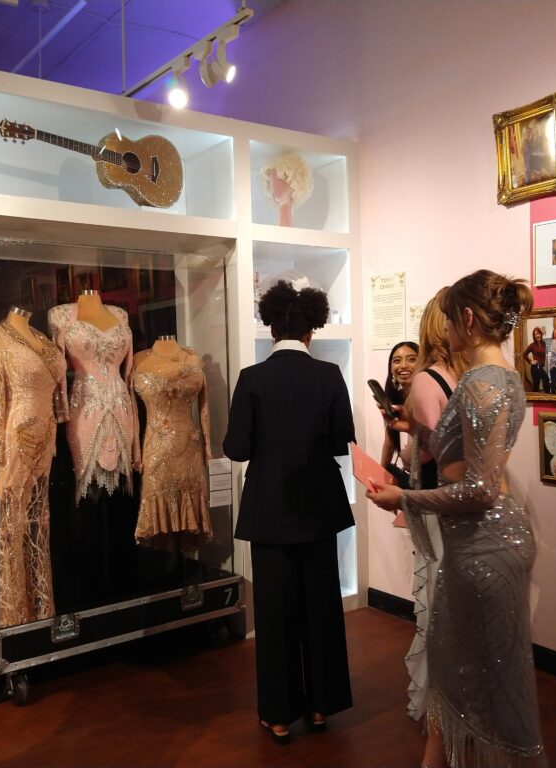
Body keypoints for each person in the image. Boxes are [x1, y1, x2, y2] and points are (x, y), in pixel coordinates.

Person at [367, 270, 546, 768]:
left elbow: (479, 488)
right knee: (456, 676)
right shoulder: (501, 377)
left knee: (475, 681)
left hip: (484, 547)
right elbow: (464, 459)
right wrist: (418, 430)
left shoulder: (483, 383)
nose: (444, 332)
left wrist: (403, 497)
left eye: (447, 321)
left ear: (466, 319)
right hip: (480, 543)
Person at [223, 280, 355, 744]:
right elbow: (342, 438)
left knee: (276, 615)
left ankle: (279, 715)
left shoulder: (252, 378)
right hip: (319, 507)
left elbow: (236, 449)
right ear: (310, 333)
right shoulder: (330, 376)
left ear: (271, 326)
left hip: (270, 512)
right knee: (322, 607)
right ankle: (321, 706)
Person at [399, 288, 470, 723]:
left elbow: (428, 453)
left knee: (443, 604)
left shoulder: (432, 380)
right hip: (458, 504)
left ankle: (446, 708)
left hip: (445, 502)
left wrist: (409, 437)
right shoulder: (463, 376)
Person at [380, 340, 419, 470]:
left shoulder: (423, 397)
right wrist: (380, 475)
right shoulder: (397, 398)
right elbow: (390, 441)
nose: (403, 366)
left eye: (412, 360)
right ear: (391, 368)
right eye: (397, 361)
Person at [523, 325, 549, 393]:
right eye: (535, 334)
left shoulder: (544, 343)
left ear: (541, 334)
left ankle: (546, 397)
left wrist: (543, 364)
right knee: (541, 382)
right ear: (534, 336)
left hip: (540, 366)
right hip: (535, 367)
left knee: (544, 381)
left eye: (538, 333)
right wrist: (530, 362)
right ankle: (537, 399)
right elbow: (524, 354)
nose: (537, 335)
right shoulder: (532, 345)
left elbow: (543, 355)